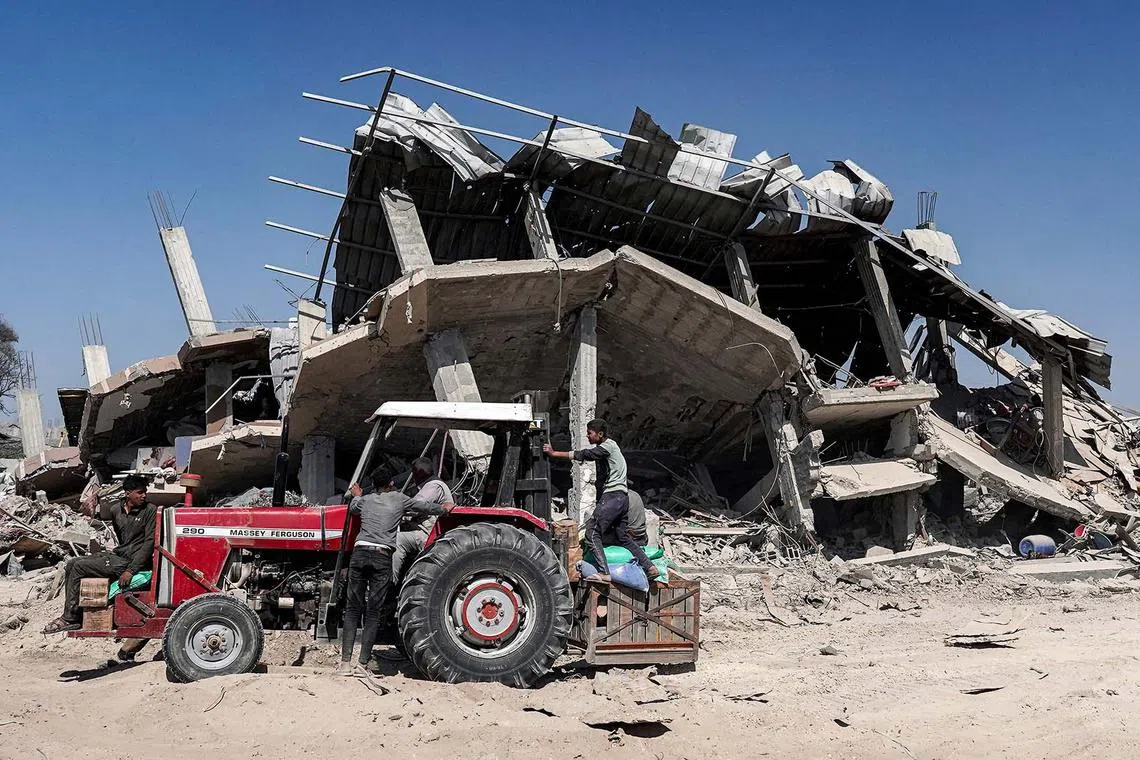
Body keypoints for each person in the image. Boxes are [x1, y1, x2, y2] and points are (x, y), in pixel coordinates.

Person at [337, 473, 452, 676]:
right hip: (382, 556)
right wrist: (444, 509)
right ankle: (362, 664)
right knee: (374, 611)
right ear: (391, 484)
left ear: (374, 485)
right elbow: (424, 507)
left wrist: (357, 494)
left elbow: (353, 507)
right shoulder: (400, 498)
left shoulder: (366, 500)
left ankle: (345, 664)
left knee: (353, 608)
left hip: (359, 553)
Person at [544, 419, 659, 583]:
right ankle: (650, 566)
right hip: (622, 498)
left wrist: (554, 453)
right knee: (623, 537)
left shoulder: (607, 447)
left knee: (591, 533)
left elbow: (585, 454)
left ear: (600, 434)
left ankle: (604, 573)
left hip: (612, 496)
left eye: (590, 433)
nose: (587, 436)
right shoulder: (612, 447)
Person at [43, 475, 157, 634]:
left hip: (132, 562)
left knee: (79, 567)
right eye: (139, 492)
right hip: (119, 556)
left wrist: (130, 570)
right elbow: (122, 538)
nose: (144, 495)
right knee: (72, 563)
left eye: (145, 492)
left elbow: (149, 543)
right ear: (127, 493)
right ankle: (75, 612)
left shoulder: (150, 510)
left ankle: (70, 618)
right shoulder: (115, 510)